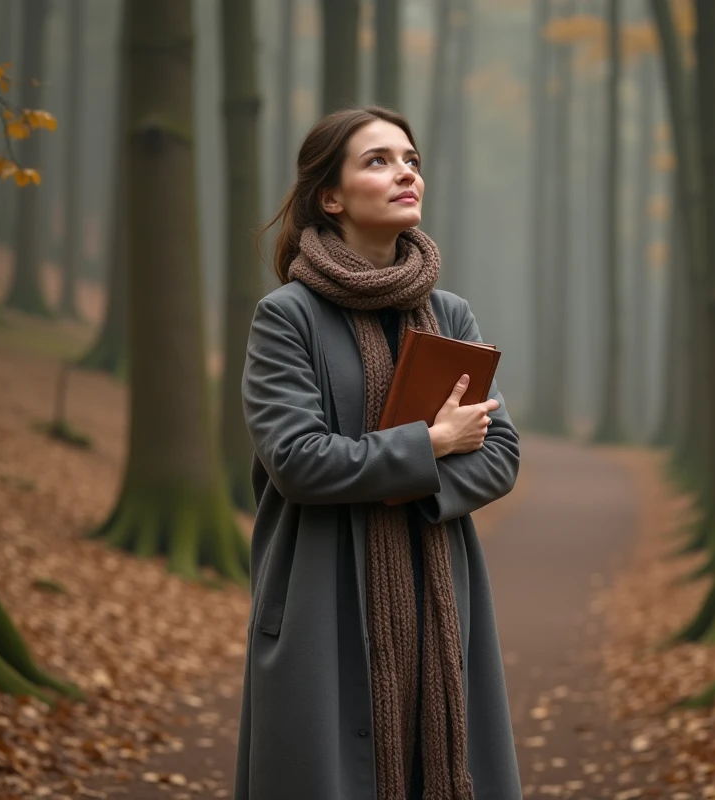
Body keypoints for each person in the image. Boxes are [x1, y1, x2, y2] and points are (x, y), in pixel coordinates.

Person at [234, 106, 522, 800]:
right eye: (379, 160)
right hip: (322, 601)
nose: (405, 174)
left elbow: (501, 451)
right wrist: (430, 446)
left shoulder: (449, 314)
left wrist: (416, 468)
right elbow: (298, 459)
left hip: (438, 598)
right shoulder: (288, 317)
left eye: (412, 160)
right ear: (330, 198)